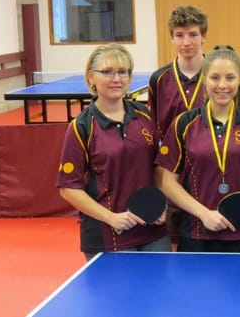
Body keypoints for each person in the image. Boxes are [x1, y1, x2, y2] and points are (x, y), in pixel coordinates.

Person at [56, 43, 170, 260]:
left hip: (153, 232)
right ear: (91, 77)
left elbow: (158, 168)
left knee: (159, 292)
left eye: (122, 72)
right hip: (109, 234)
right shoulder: (81, 127)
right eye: (107, 72)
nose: (116, 78)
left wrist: (161, 204)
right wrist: (111, 218)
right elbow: (68, 189)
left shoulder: (144, 115)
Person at [156, 46, 240, 253]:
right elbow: (168, 183)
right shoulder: (184, 123)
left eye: (230, 78)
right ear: (204, 80)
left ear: (239, 80)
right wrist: (204, 214)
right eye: (215, 78)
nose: (222, 85)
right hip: (196, 232)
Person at [148, 5, 208, 137]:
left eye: (193, 35)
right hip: (170, 155)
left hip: (212, 155)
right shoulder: (158, 79)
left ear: (203, 36)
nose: (186, 43)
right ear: (172, 38)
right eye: (179, 35)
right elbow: (152, 124)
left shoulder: (218, 76)